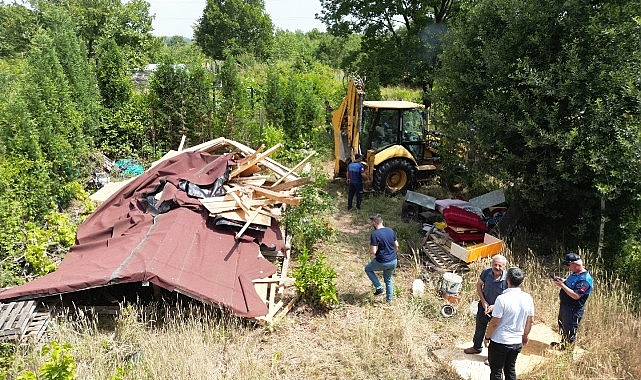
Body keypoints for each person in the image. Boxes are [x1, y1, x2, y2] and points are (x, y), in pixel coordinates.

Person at [484, 267, 535, 380]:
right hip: (516, 342)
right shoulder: (528, 298)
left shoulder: (502, 299)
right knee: (510, 369)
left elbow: (494, 323)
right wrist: (525, 336)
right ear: (521, 281)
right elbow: (530, 320)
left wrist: (487, 337)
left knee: (496, 371)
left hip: (500, 341)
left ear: (507, 279)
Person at [463, 254, 508, 355]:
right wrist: (483, 301)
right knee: (479, 328)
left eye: (500, 266)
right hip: (484, 306)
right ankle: (476, 347)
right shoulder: (486, 272)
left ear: (504, 267)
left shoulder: (508, 279)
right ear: (492, 264)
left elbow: (509, 297)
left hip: (498, 310)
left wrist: (495, 306)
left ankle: (492, 356)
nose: (497, 267)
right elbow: (479, 285)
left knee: (495, 332)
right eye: (495, 265)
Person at [551, 252, 593, 349]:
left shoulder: (585, 280)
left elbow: (576, 295)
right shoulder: (576, 273)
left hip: (573, 310)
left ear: (576, 264)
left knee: (570, 331)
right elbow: (572, 283)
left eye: (568, 265)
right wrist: (563, 280)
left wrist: (561, 285)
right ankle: (563, 345)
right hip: (565, 306)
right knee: (563, 326)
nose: (568, 267)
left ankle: (568, 354)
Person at [364, 214, 399, 303]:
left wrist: (376, 255)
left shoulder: (375, 234)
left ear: (374, 223)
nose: (371, 224)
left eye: (372, 222)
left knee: (368, 269)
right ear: (382, 221)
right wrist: (392, 254)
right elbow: (397, 245)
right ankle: (389, 300)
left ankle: (379, 288)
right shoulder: (390, 230)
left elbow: (373, 251)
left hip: (383, 261)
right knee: (388, 279)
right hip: (394, 260)